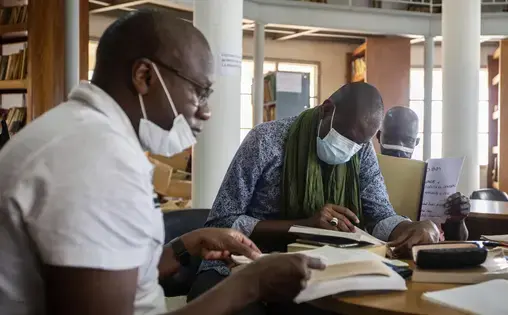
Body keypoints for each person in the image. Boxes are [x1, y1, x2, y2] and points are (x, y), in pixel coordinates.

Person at [0, 10, 326, 315]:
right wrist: (253, 282)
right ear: (144, 76)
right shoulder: (97, 160)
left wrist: (187, 245)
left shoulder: (82, 133)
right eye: (199, 91)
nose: (206, 110)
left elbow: (120, 274)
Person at [189, 83, 440, 312]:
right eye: (345, 138)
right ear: (326, 110)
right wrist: (303, 226)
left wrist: (410, 228)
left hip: (314, 271)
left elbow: (380, 214)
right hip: (238, 266)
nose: (349, 149)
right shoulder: (266, 141)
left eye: (359, 143)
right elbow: (221, 223)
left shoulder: (360, 152)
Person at [376, 106, 470, 241]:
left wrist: (458, 220)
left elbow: (457, 240)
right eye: (391, 138)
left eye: (407, 140)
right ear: (379, 136)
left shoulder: (434, 178)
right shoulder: (365, 170)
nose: (398, 148)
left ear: (416, 142)